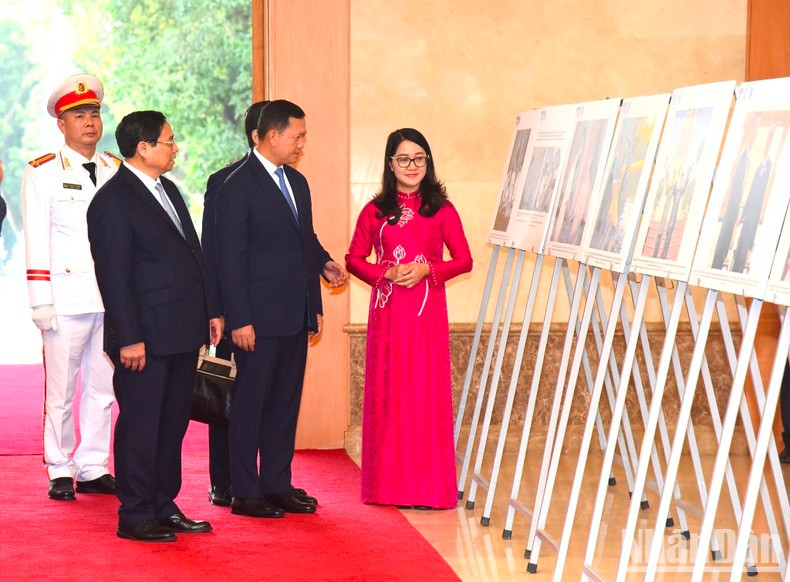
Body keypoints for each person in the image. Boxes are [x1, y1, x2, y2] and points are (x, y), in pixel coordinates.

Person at [87, 110, 223, 542]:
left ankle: (164, 504)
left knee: (171, 424)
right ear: (142, 148)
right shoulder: (112, 201)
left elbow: (193, 255)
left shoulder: (168, 190)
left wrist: (210, 312)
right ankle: (135, 513)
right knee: (142, 424)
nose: (175, 147)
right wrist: (129, 337)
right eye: (169, 140)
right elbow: (115, 276)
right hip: (143, 337)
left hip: (182, 330)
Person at [215, 99, 348, 518]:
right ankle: (245, 491)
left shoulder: (297, 181)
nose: (301, 143)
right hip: (256, 319)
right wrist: (240, 318)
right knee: (250, 406)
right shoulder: (236, 184)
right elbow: (228, 258)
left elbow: (301, 238)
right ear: (272, 135)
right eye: (298, 135)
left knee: (284, 406)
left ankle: (276, 483)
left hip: (294, 314)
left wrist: (322, 269)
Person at [345, 128, 472, 509]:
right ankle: (388, 488)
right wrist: (383, 272)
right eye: (403, 159)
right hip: (388, 316)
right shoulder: (375, 211)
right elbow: (354, 258)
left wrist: (427, 271)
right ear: (390, 164)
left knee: (423, 396)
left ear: (427, 162)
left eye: (419, 158)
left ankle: (427, 489)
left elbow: (464, 259)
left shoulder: (441, 209)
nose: (412, 166)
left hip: (426, 314)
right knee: (390, 395)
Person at [21, 74, 119, 501]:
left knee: (103, 387)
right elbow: (36, 237)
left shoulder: (117, 168)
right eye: (79, 115)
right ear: (62, 124)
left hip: (112, 299)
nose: (90, 122)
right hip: (65, 297)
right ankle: (60, 466)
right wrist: (40, 301)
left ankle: (93, 465)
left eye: (94, 113)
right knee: (61, 389)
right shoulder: (43, 172)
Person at [201, 100, 268, 506]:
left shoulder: (289, 182)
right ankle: (223, 481)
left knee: (268, 401)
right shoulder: (223, 181)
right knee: (228, 396)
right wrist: (216, 309)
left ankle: (264, 479)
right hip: (232, 311)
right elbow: (213, 250)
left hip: (275, 314)